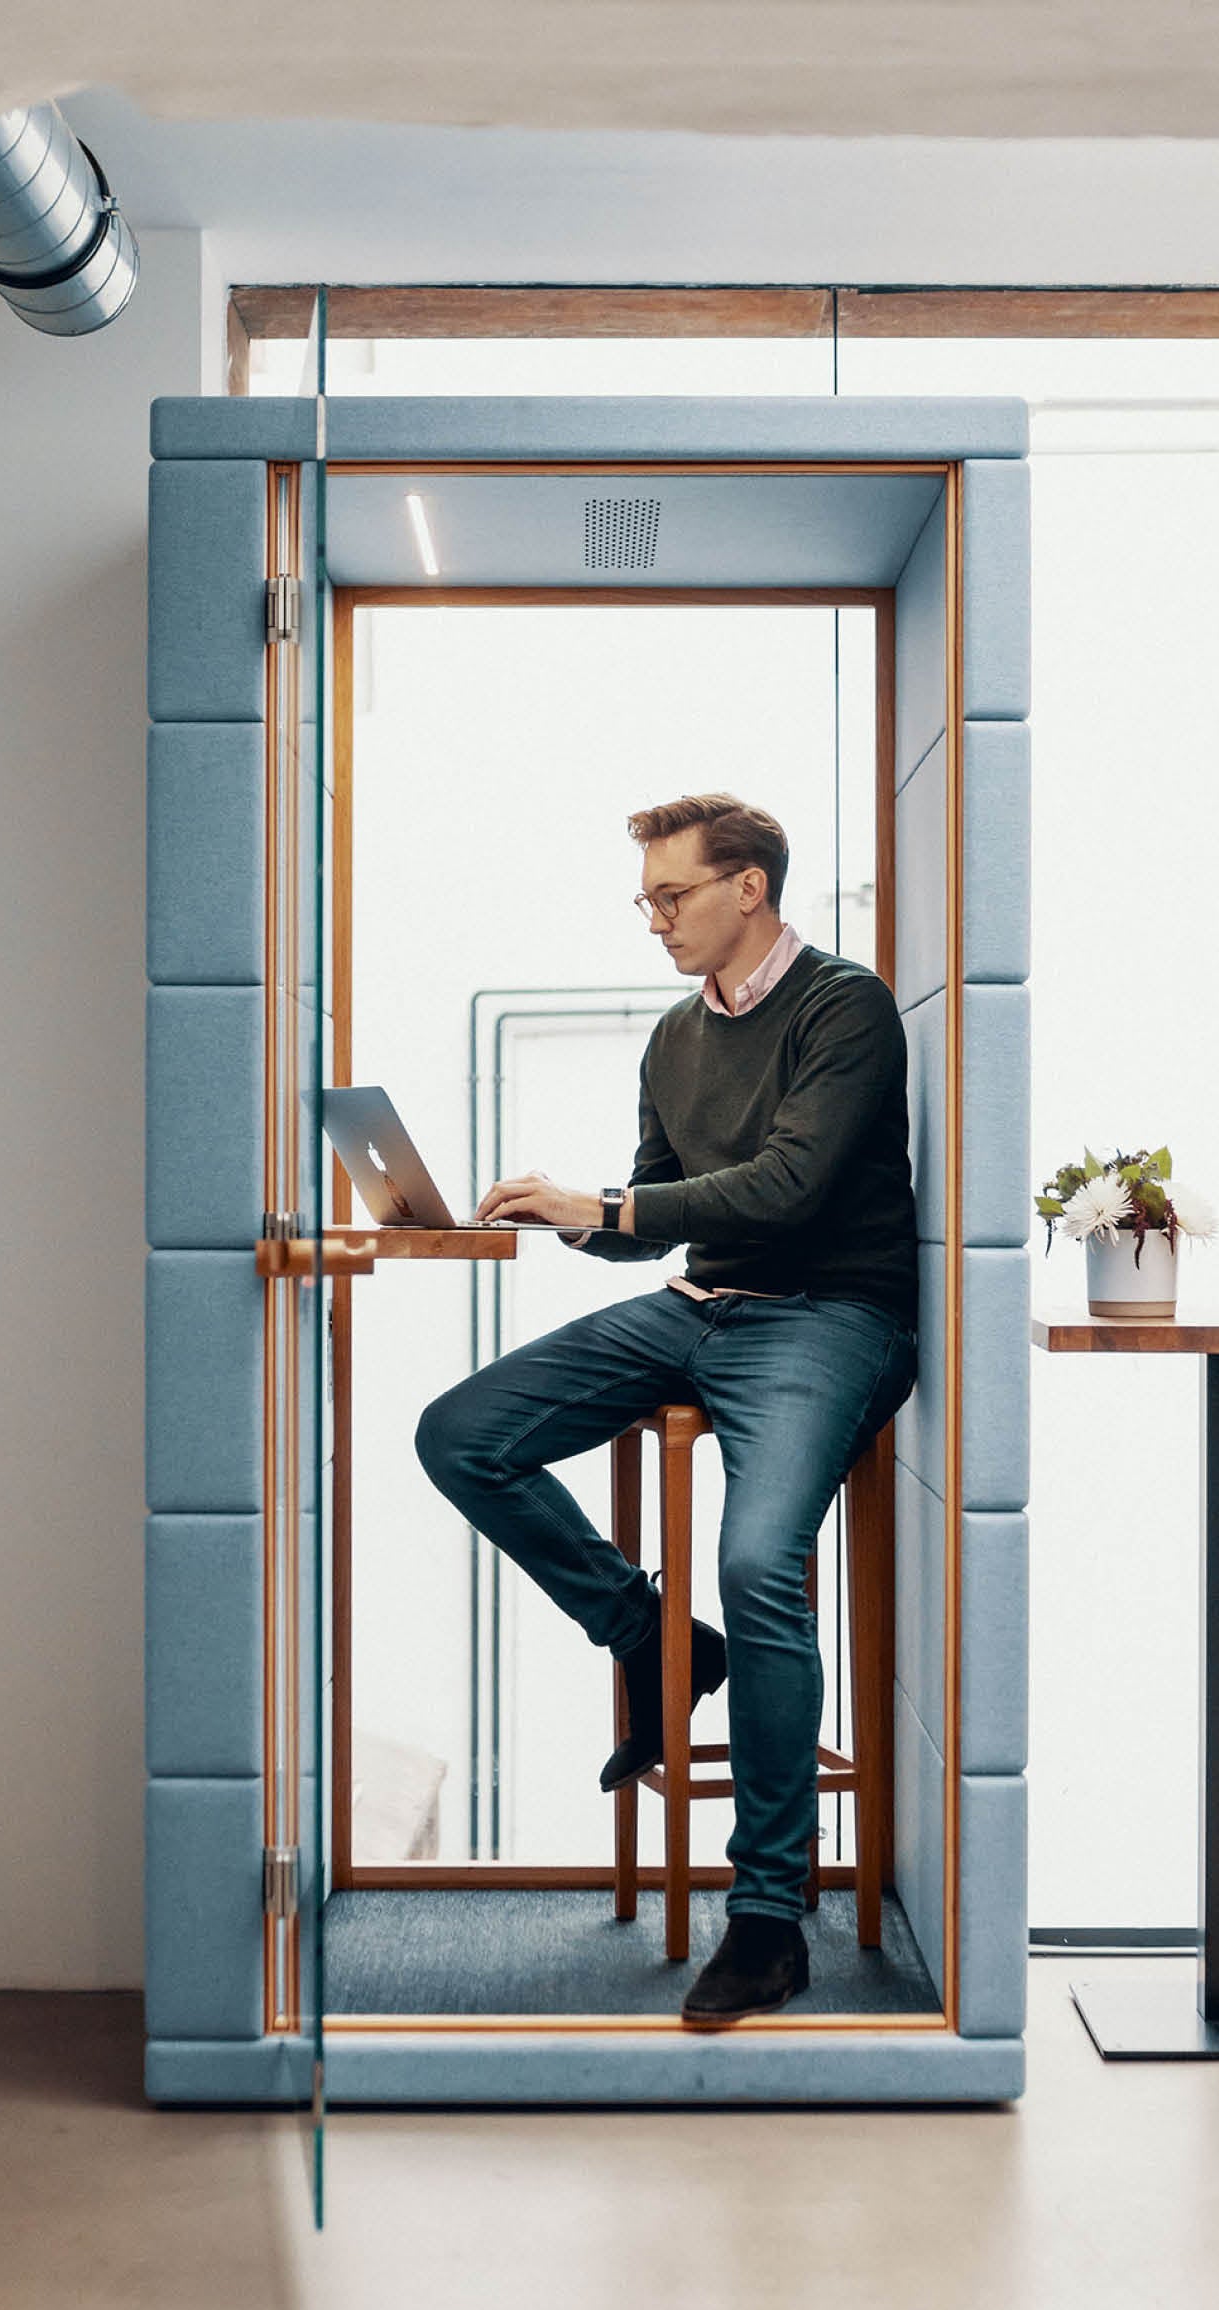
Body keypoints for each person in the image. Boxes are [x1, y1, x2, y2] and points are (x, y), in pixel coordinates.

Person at [413, 793, 917, 2025]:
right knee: (461, 1435)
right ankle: (656, 1639)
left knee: (759, 1563)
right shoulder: (672, 1040)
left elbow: (791, 1191)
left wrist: (611, 1207)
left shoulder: (845, 1008)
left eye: (672, 895)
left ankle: (767, 1922)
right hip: (698, 1305)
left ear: (750, 888)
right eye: (646, 900)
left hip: (829, 1313)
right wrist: (565, 1219)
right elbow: (657, 1216)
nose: (656, 920)